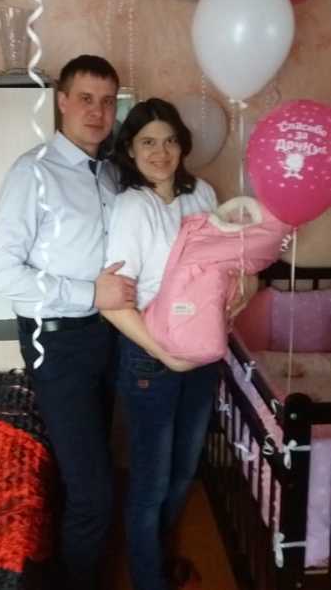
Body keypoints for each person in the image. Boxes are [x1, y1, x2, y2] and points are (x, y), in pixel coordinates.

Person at [0, 54, 136, 590]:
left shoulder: (111, 173)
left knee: (86, 475)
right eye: (85, 98)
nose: (97, 111)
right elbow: (0, 273)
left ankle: (68, 568)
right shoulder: (33, 172)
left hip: (108, 336)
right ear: (62, 101)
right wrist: (89, 292)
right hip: (57, 344)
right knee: (94, 492)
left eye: (107, 101)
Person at [102, 98, 254, 590]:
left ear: (183, 146)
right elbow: (114, 303)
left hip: (202, 351)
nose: (160, 152)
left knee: (185, 470)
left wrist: (241, 288)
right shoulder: (132, 207)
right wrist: (164, 354)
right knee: (151, 482)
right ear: (130, 149)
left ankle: (159, 561)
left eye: (169, 140)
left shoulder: (202, 194)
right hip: (153, 357)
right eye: (148, 142)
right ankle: (149, 579)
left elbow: (227, 263)